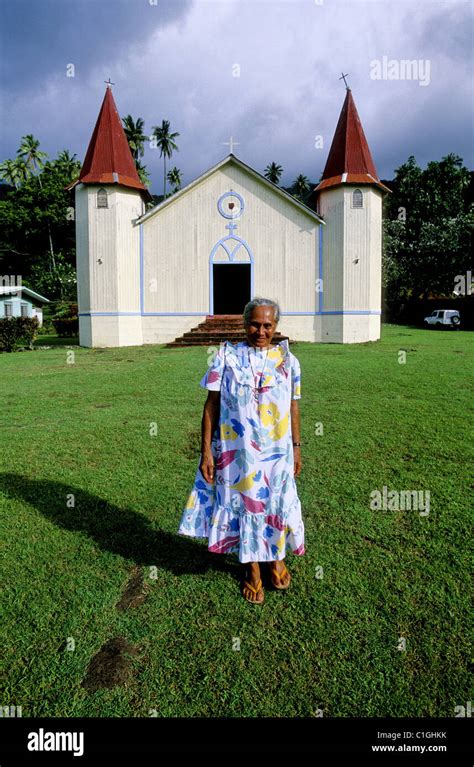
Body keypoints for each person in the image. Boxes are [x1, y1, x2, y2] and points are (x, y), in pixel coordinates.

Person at [178, 297, 305, 604]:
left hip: (277, 452)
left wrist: (297, 448)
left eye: (267, 325)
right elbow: (211, 405)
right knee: (244, 504)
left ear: (275, 326)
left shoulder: (288, 361)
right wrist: (206, 452)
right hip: (237, 452)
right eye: (254, 324)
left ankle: (275, 559)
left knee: (276, 503)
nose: (260, 331)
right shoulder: (226, 357)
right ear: (244, 323)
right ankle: (251, 569)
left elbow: (293, 406)